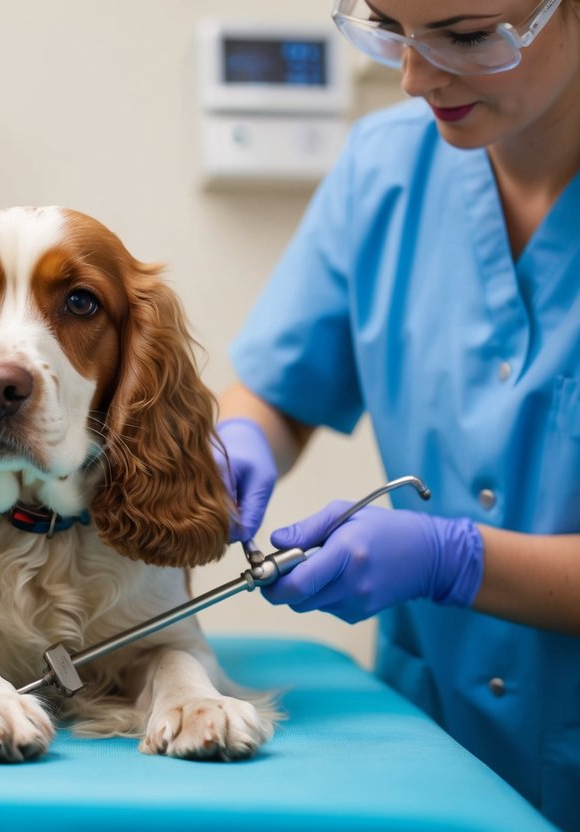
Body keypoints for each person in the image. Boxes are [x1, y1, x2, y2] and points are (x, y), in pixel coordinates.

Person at [214, 0, 580, 828]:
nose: (414, 78)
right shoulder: (385, 169)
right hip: (435, 760)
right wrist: (240, 440)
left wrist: (457, 561)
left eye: (464, 35)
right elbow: (278, 386)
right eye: (388, 28)